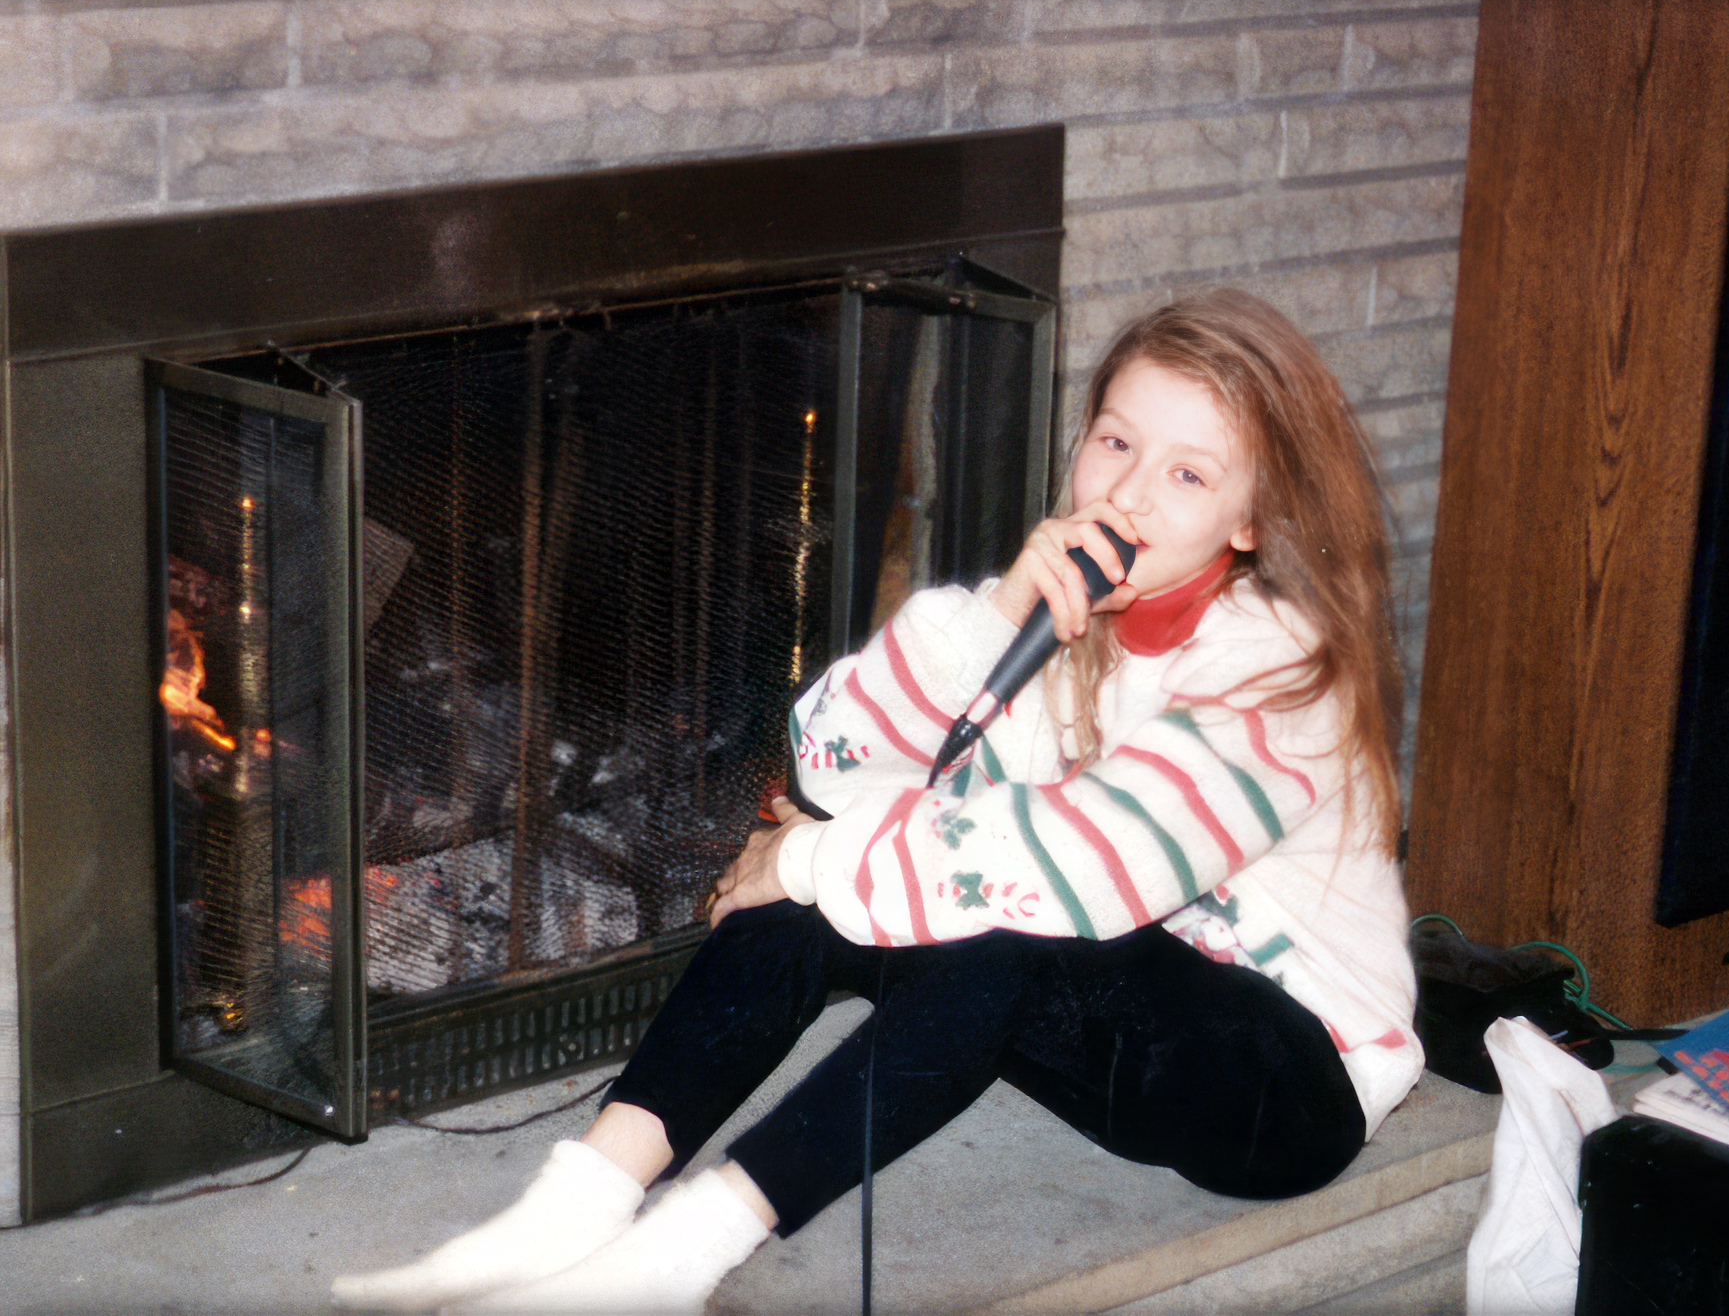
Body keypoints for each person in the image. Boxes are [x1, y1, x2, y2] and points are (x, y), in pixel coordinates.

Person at [332, 288, 1423, 1313]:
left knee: (986, 908)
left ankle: (684, 1253)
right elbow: (831, 755)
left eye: (1189, 475)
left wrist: (810, 856)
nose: (1128, 494)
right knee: (859, 871)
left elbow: (1081, 868)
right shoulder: (1055, 616)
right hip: (1119, 1024)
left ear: (1252, 518)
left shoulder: (1283, 674)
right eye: (1116, 441)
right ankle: (576, 1204)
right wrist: (998, 615)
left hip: (1278, 1080)